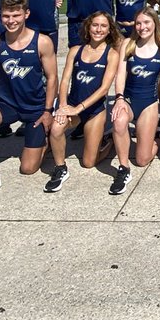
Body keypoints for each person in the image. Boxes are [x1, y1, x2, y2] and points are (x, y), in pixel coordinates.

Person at [0, 0, 59, 204]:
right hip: (8, 104)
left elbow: (52, 78)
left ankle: (46, 140)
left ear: (26, 14)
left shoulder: (42, 42)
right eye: (6, 16)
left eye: (16, 15)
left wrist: (47, 111)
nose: (11, 20)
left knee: (28, 168)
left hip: (35, 107)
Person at [49, 11, 121, 190]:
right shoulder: (75, 51)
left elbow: (104, 89)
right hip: (72, 106)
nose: (99, 29)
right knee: (56, 128)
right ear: (88, 28)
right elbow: (64, 80)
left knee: (89, 162)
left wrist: (79, 108)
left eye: (103, 26)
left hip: (94, 110)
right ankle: (60, 167)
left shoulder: (112, 54)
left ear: (109, 30)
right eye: (95, 25)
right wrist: (63, 105)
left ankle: (108, 140)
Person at [108, 8, 160, 195]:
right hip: (129, 99)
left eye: (146, 23)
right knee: (119, 122)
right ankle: (123, 169)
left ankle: (159, 137)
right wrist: (119, 98)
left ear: (155, 23)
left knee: (143, 159)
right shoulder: (128, 44)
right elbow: (120, 74)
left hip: (149, 104)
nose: (142, 27)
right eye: (138, 23)